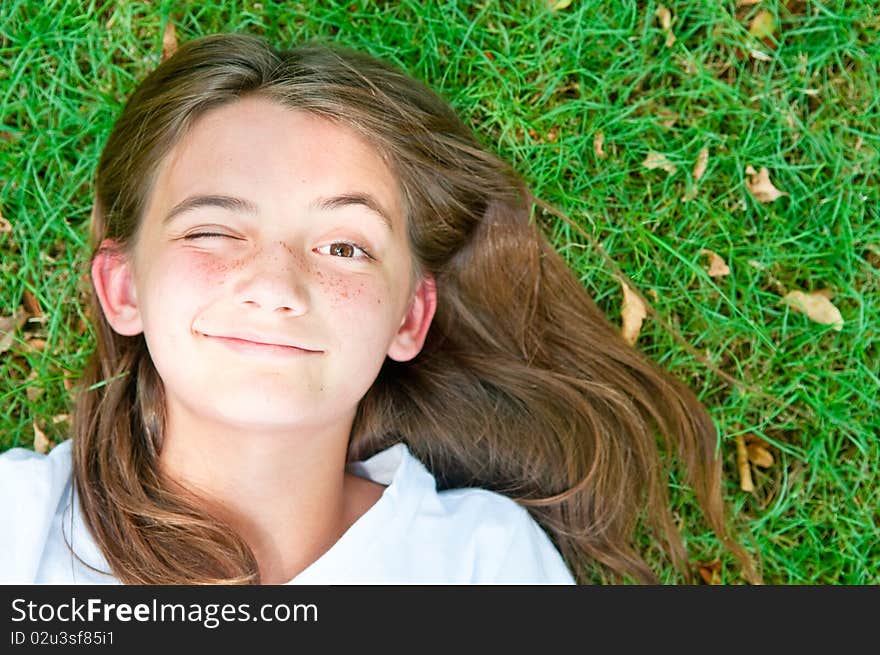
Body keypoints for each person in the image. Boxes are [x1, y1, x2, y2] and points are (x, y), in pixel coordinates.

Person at [0, 32, 758, 585]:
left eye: (342, 246)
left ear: (408, 318)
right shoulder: (17, 523)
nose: (276, 286)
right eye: (214, 230)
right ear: (125, 289)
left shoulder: (481, 565)